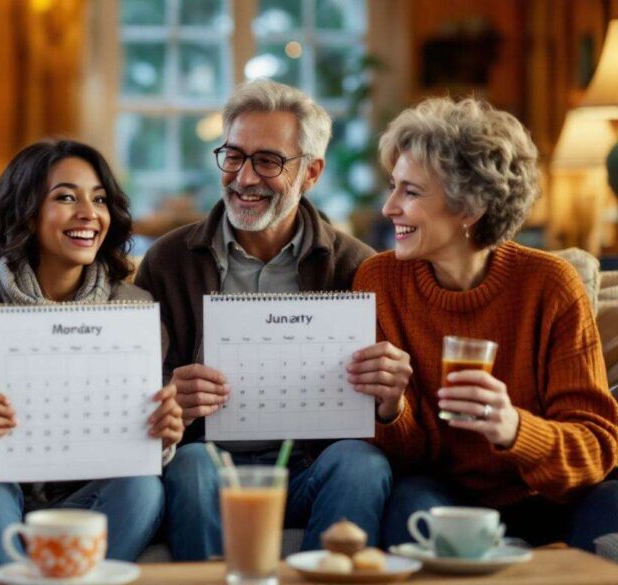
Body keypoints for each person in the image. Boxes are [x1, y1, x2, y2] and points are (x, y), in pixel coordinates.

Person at [135, 79, 392, 560]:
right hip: (207, 460)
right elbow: (135, 389)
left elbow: (381, 406)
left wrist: (386, 391)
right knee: (189, 465)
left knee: (360, 462)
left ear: (311, 172)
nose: (245, 178)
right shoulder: (169, 261)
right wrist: (172, 394)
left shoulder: (356, 266)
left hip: (310, 465)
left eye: (268, 161)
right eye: (233, 157)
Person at [350, 97, 618, 551]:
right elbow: (407, 456)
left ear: (469, 208)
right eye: (392, 187)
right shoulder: (380, 280)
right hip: (441, 493)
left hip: (546, 494)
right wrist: (390, 407)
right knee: (409, 504)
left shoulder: (551, 286)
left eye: (410, 192)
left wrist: (514, 427)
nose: (389, 207)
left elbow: (594, 447)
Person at [0, 139, 183, 567]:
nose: (88, 213)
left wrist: (164, 433)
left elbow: (145, 438)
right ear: (26, 210)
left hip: (86, 497)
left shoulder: (134, 307)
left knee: (144, 486)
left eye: (98, 199)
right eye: (65, 197)